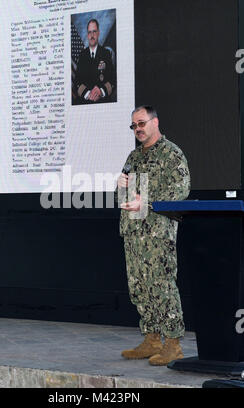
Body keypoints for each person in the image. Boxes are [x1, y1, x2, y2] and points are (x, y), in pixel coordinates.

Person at [116, 105, 191, 366]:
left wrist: (145, 204)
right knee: (139, 288)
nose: (137, 129)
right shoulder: (133, 157)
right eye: (134, 125)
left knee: (163, 288)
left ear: (155, 122)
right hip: (134, 232)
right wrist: (120, 187)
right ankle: (152, 339)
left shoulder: (172, 154)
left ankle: (173, 345)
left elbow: (180, 191)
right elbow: (126, 199)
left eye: (141, 123)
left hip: (158, 233)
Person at [75, 19, 115, 104]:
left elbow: (112, 79)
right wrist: (88, 94)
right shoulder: (82, 55)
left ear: (98, 33)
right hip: (85, 102)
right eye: (89, 32)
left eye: (94, 31)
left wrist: (100, 91)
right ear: (87, 35)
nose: (92, 35)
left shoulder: (106, 53)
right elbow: (77, 82)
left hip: (103, 101)